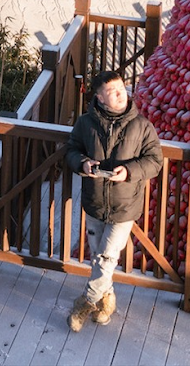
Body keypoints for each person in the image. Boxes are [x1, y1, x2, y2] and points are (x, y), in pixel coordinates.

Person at [64, 69, 162, 332]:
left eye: (121, 88)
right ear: (100, 97)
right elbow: (71, 150)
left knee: (107, 257)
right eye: (112, 91)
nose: (120, 94)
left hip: (125, 205)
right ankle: (106, 302)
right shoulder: (86, 123)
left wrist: (128, 171)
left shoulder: (141, 125)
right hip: (95, 202)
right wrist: (83, 164)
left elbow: (155, 161)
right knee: (98, 256)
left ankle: (85, 303)